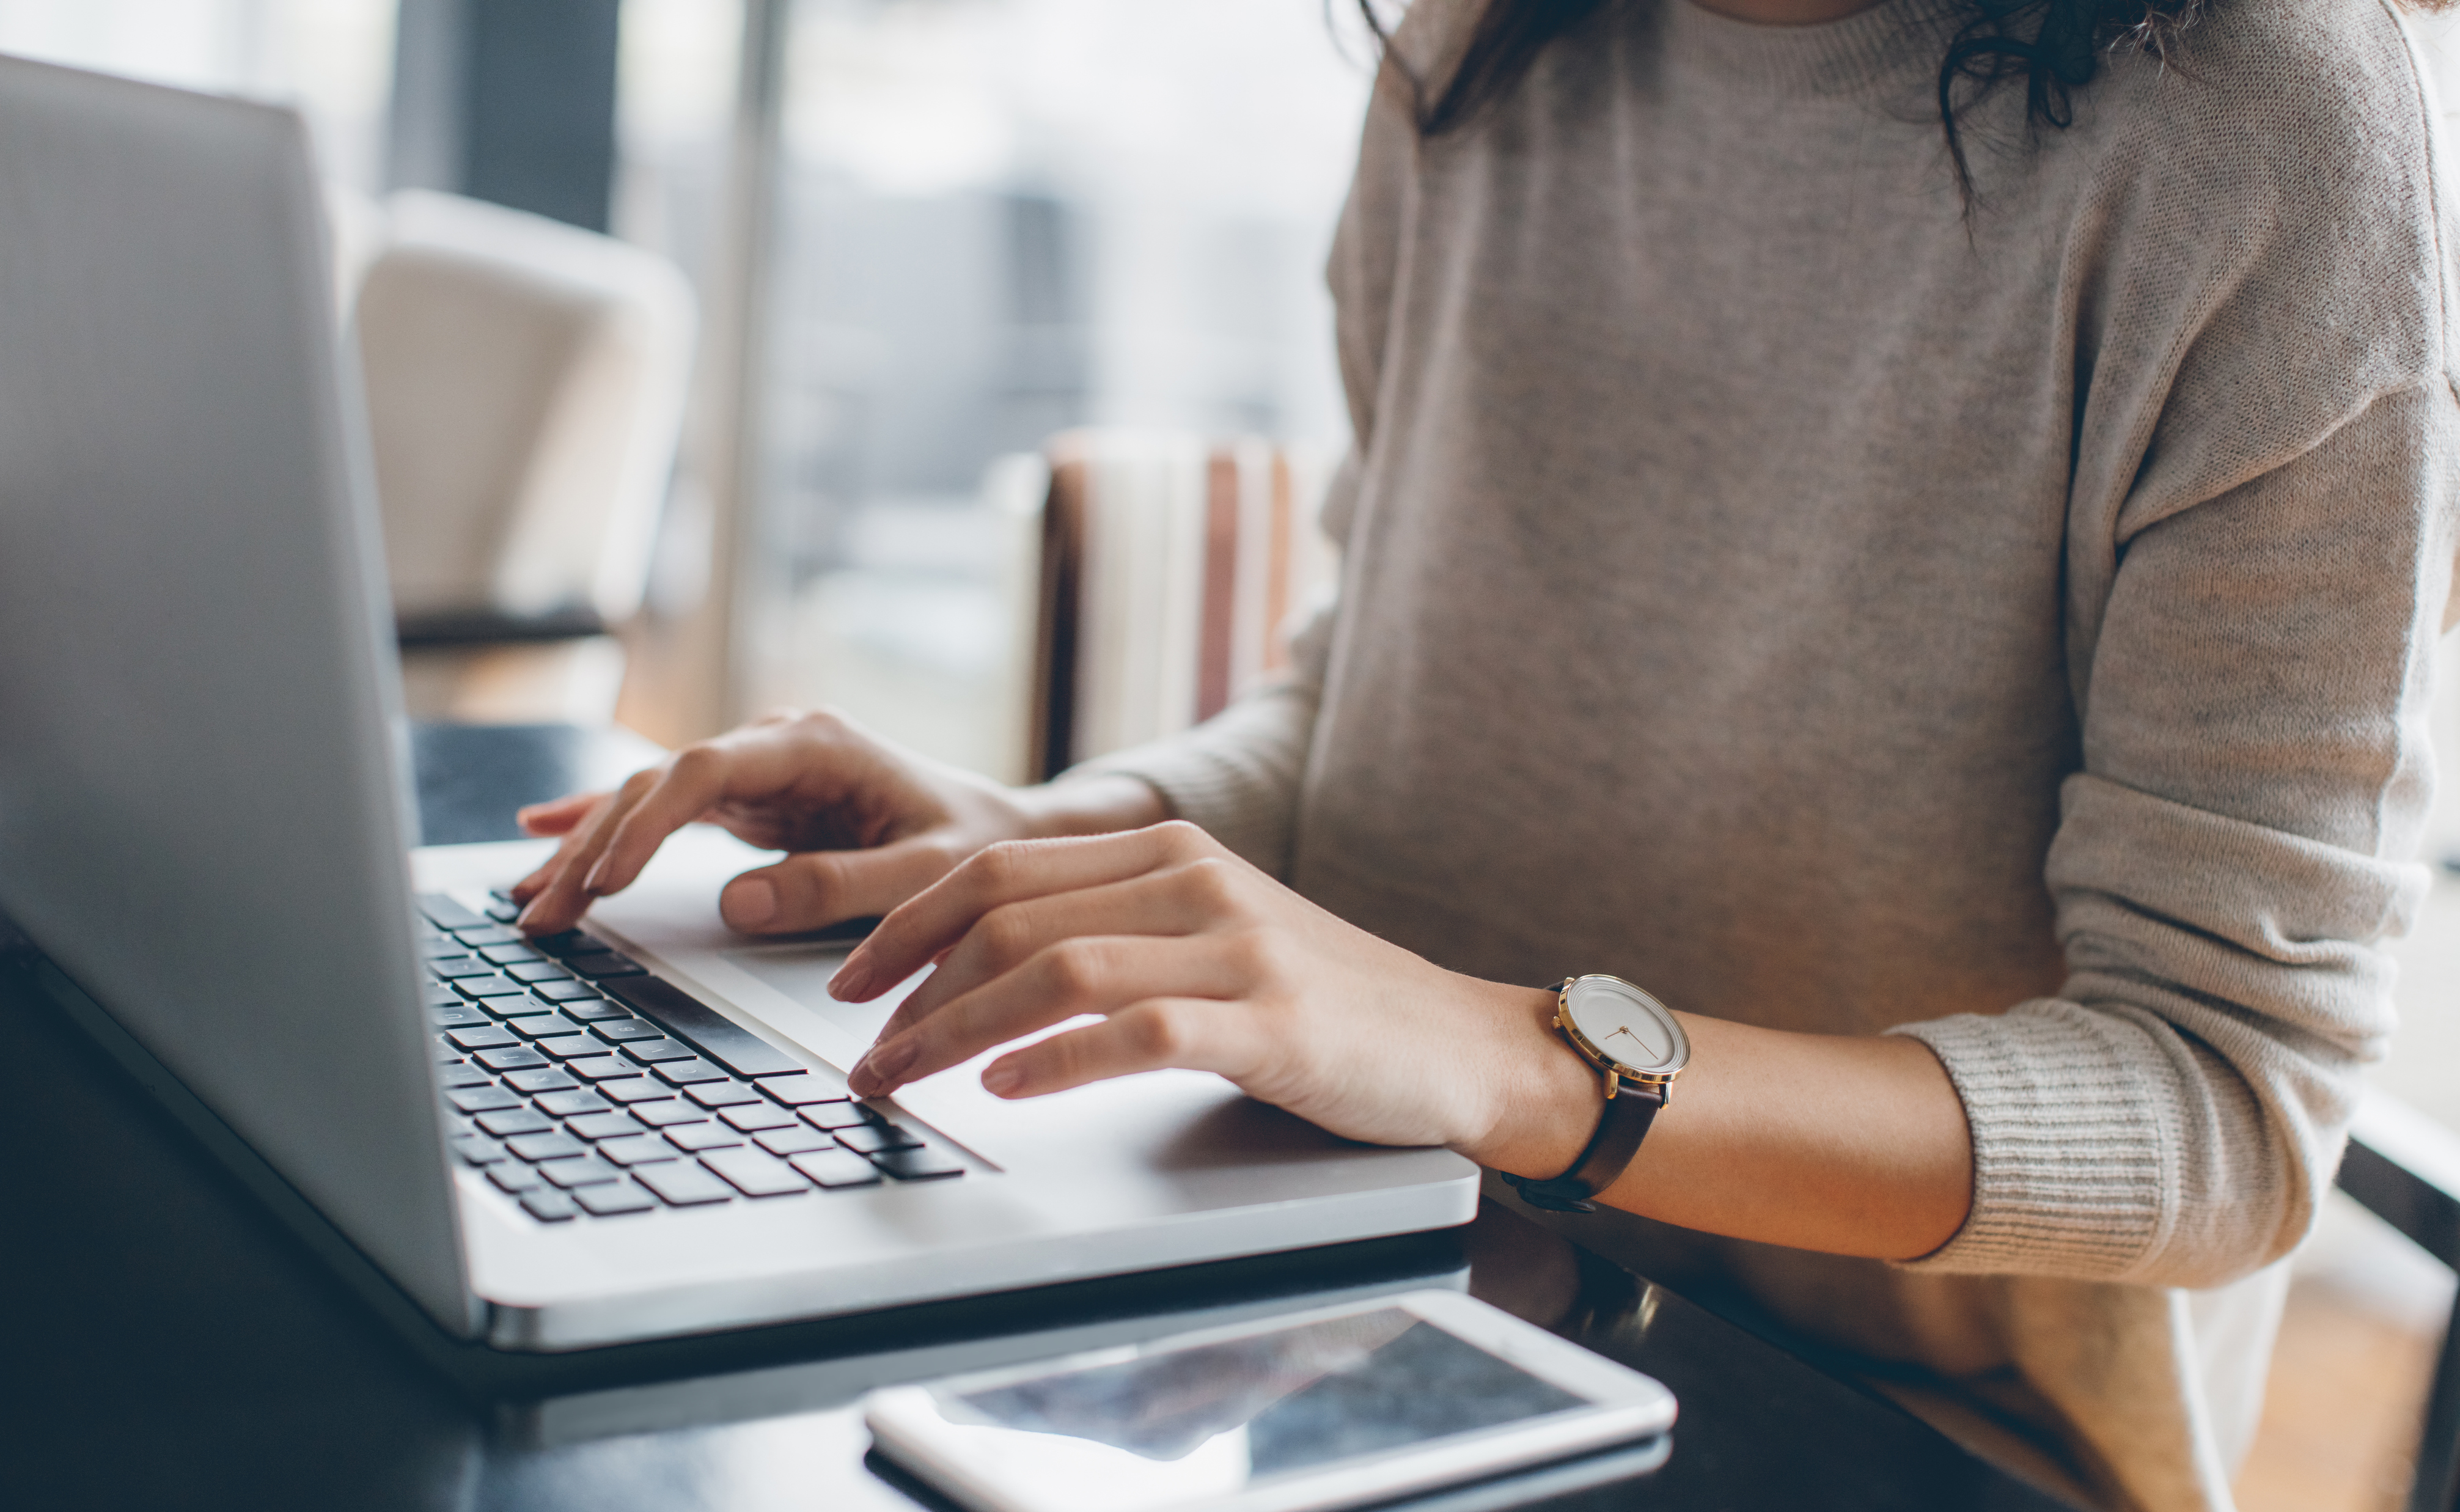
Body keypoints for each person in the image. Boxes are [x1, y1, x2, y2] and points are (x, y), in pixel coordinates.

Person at [512, 0, 2460, 1505]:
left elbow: (2224, 1101)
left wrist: (1526, 1060)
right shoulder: (1483, 42)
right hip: (1348, 1277)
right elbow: (1365, 694)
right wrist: (1051, 836)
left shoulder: (2268, 130)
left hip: (1881, 1433)